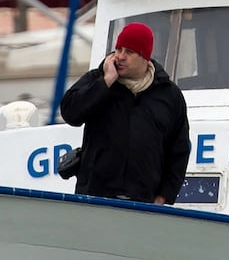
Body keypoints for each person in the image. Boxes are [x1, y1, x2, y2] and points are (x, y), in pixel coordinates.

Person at [60, 22, 190, 204]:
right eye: (118, 49)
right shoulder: (97, 80)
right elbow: (70, 113)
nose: (120, 56)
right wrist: (105, 82)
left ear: (145, 56)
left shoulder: (169, 95)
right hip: (96, 198)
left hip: (144, 203)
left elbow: (179, 152)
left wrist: (164, 198)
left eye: (129, 52)